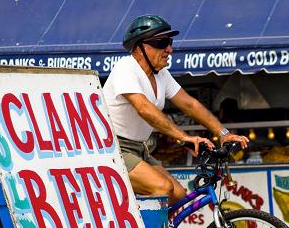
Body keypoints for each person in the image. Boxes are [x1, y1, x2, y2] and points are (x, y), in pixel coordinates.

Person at [103, 14, 248, 205]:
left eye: (169, 42)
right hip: (114, 148)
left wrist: (222, 133)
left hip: (141, 148)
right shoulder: (125, 68)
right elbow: (144, 109)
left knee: (178, 194)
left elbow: (190, 104)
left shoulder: (161, 74)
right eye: (162, 42)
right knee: (162, 188)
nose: (169, 49)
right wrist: (183, 137)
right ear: (139, 48)